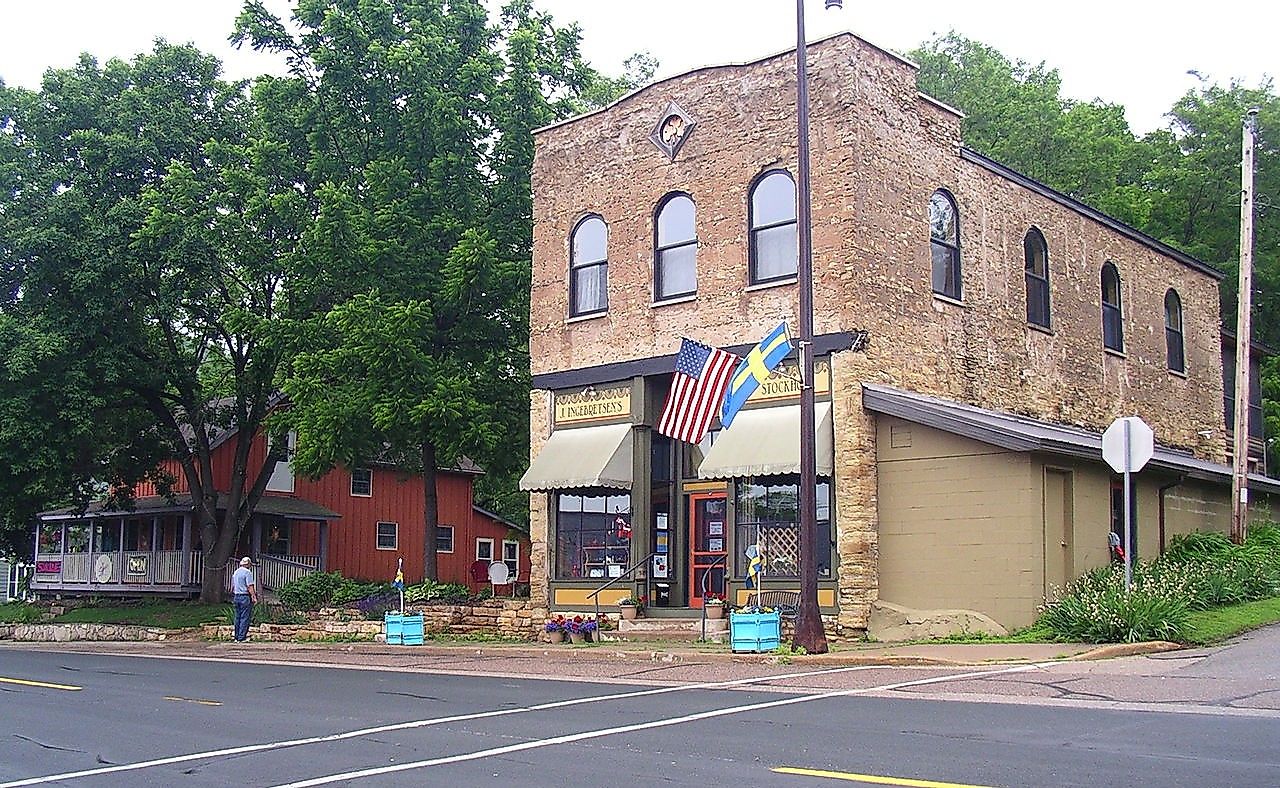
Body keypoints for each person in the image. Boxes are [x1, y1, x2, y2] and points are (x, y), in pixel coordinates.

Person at [230, 557, 258, 642]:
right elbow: (250, 586)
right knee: (244, 617)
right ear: (248, 564)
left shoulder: (236, 572)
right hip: (245, 596)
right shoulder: (247, 572)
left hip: (236, 595)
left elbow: (233, 585)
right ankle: (242, 637)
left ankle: (236, 637)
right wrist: (253, 596)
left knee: (237, 617)